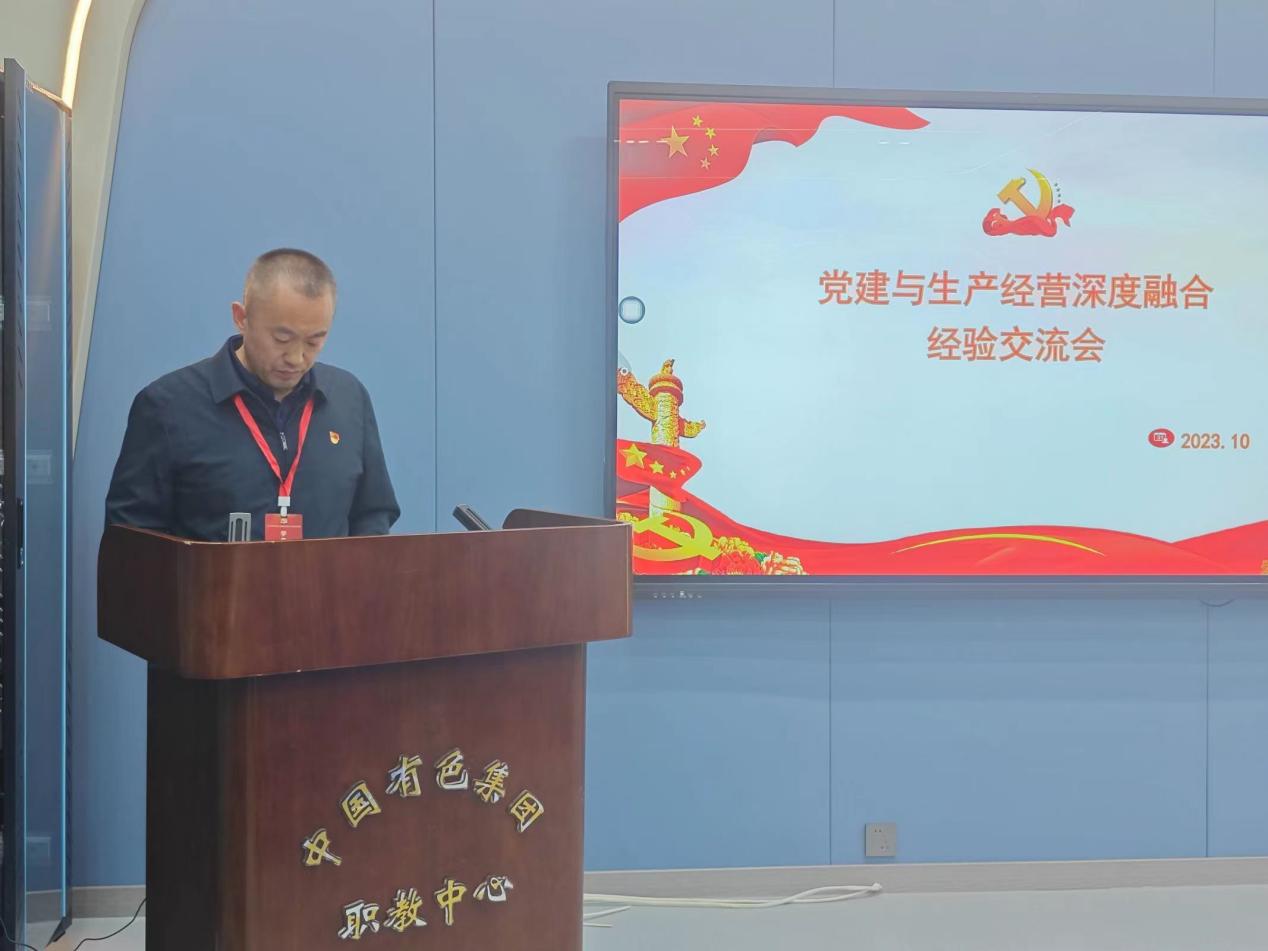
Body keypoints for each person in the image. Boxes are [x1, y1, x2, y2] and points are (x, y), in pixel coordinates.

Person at [105, 248, 399, 540]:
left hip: (328, 574)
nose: (296, 358)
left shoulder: (349, 398)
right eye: (281, 338)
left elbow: (373, 513)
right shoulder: (168, 406)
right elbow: (132, 540)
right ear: (241, 317)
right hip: (212, 574)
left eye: (314, 341)